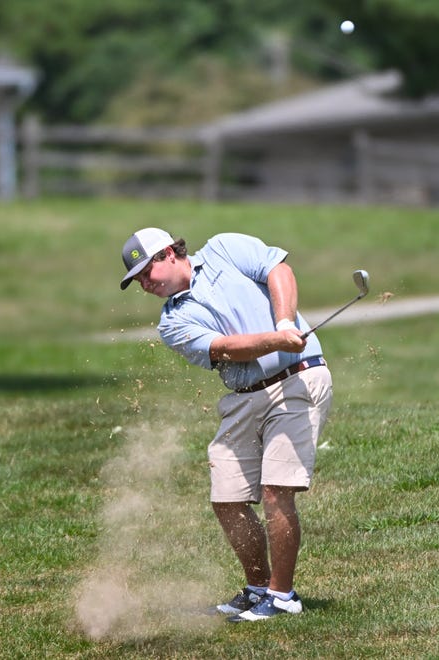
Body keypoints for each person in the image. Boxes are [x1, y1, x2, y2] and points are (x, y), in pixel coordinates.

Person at [119, 228, 333, 623]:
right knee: (227, 497)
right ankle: (257, 587)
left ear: (169, 253)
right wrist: (276, 339)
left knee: (274, 491)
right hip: (243, 396)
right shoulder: (171, 323)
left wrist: (285, 321)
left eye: (147, 272)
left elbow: (278, 270)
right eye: (138, 281)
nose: (145, 284)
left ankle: (283, 596)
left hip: (297, 380)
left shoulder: (224, 248)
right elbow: (224, 348)